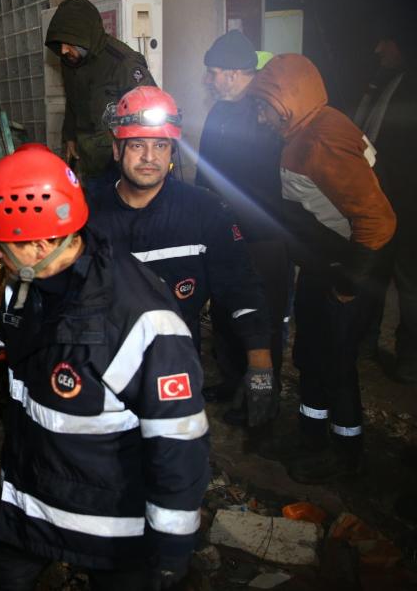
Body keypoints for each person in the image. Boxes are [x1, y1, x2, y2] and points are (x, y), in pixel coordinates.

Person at [0, 144, 209, 590]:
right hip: (29, 509)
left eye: (0, 245)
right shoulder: (28, 281)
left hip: (109, 533)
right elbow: (11, 321)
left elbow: (178, 441)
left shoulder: (139, 320)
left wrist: (173, 549)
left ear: (39, 243)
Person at [87, 86, 275, 427]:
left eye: (160, 145)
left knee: (173, 464)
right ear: (117, 150)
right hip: (99, 361)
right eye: (137, 145)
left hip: (174, 365)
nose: (149, 157)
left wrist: (259, 363)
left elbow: (240, 287)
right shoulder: (87, 212)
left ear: (172, 150)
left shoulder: (205, 212)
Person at [248, 54, 397, 483]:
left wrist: (350, 283)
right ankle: (311, 435)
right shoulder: (308, 129)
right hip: (328, 263)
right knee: (311, 352)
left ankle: (345, 451)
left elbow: (379, 221)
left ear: (288, 98)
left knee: (335, 359)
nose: (260, 117)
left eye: (264, 106)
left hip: (351, 268)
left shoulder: (322, 139)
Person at [194, 31, 290, 418]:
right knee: (225, 310)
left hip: (263, 238)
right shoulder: (220, 110)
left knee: (261, 318)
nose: (210, 81)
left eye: (214, 73)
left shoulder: (267, 114)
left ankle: (261, 398)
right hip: (225, 233)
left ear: (235, 73)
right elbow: (207, 169)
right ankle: (233, 382)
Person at [354, 27, 417, 382]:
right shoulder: (383, 83)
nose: (378, 48)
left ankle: (409, 359)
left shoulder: (408, 86)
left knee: (408, 281)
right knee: (375, 271)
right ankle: (365, 342)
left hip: (406, 203)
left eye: (386, 40)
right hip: (380, 199)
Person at [45, 0, 154, 182]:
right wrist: (70, 137)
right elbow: (72, 101)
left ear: (85, 37)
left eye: (69, 43)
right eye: (60, 44)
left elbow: (151, 117)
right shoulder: (70, 60)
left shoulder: (123, 62)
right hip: (87, 161)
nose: (63, 50)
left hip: (118, 166)